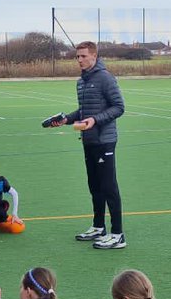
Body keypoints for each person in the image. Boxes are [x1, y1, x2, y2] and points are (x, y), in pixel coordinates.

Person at [44, 41, 126, 250]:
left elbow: (119, 107)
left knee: (109, 187)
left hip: (104, 139)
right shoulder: (82, 81)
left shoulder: (105, 78)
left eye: (83, 56)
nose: (79, 60)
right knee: (95, 186)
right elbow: (83, 112)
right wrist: (66, 119)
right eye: (77, 57)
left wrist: (95, 120)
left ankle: (118, 235)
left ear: (94, 56)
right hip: (88, 139)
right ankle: (99, 227)